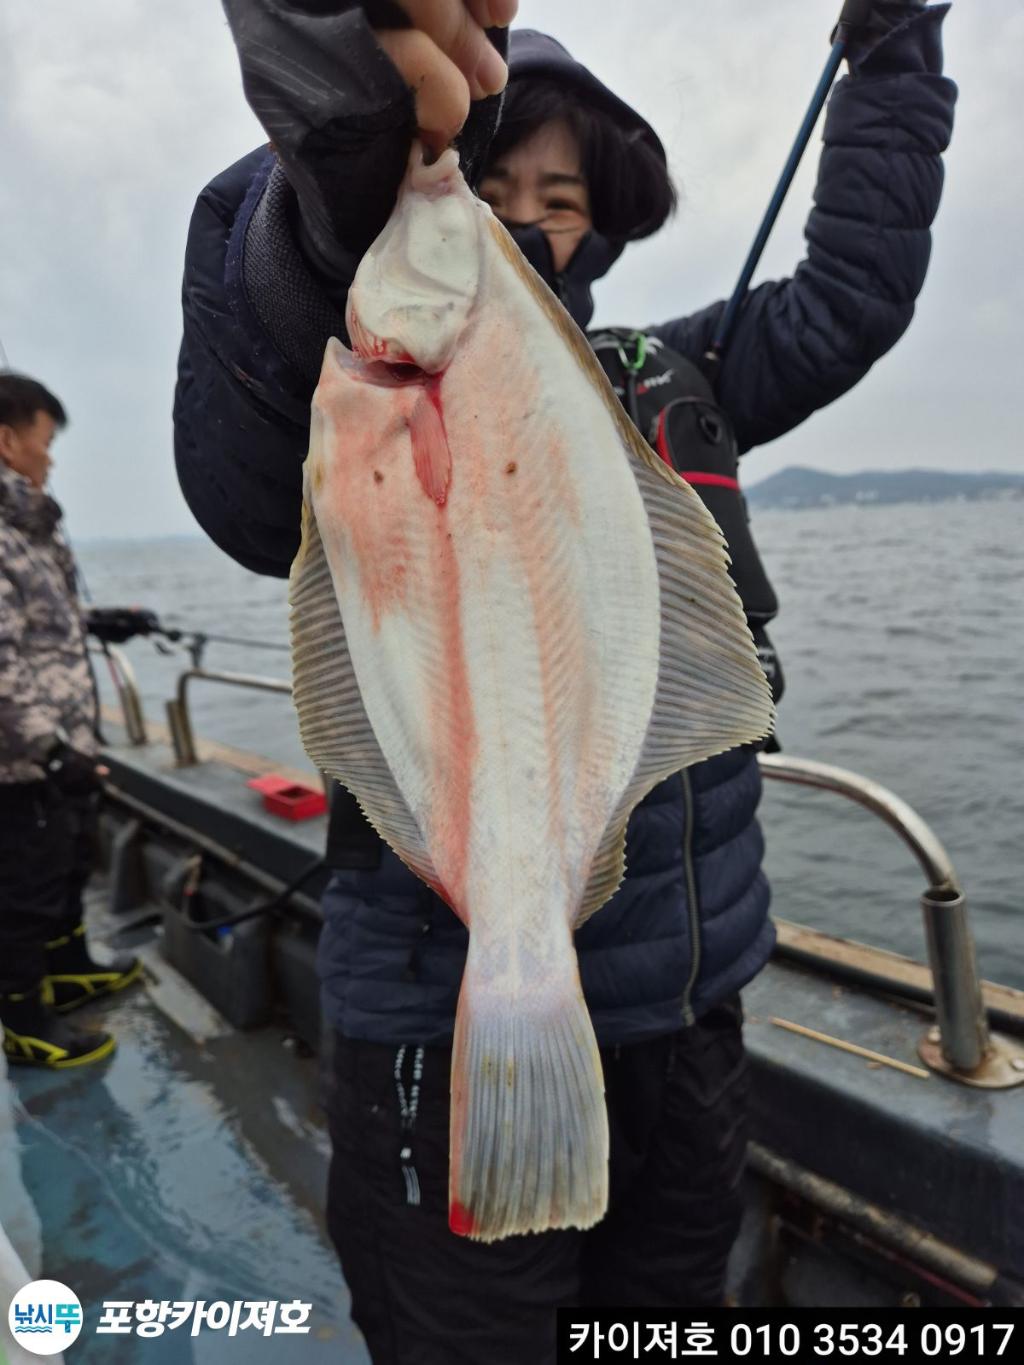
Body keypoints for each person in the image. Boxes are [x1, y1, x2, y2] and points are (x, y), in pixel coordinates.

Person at [174, 0, 956, 1352]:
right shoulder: (344, 374)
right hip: (439, 1007)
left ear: (603, 225)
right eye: (495, 183)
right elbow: (244, 487)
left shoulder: (672, 375)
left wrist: (891, 58)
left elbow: (852, 294)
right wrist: (324, 197)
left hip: (690, 1004)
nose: (528, 218)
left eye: (564, 197)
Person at [0, 372, 141, 1071]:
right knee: (24, 888)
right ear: (8, 440)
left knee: (65, 862)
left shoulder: (28, 528)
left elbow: (39, 622)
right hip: (23, 759)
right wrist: (50, 749)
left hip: (57, 746)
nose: (50, 457)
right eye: (45, 441)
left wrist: (99, 620)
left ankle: (70, 967)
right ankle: (24, 1021)